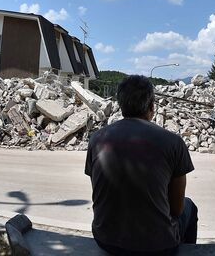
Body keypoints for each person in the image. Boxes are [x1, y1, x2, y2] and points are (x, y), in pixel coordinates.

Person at [85, 75, 198, 256]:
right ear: (152, 106)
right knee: (190, 206)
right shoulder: (173, 143)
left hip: (106, 240)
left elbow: (100, 195)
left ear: (120, 105)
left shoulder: (97, 139)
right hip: (159, 247)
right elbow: (177, 209)